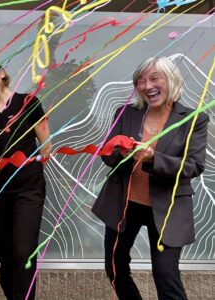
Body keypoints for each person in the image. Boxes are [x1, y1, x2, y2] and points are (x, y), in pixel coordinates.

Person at [92, 57, 209, 300]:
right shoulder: (126, 112)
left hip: (167, 207)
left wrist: (153, 157)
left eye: (154, 78)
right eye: (141, 81)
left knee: (166, 276)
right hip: (124, 203)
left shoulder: (194, 119)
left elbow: (194, 166)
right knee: (114, 268)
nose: (147, 86)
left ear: (171, 79)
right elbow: (108, 154)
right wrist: (121, 154)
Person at [0, 58, 52, 300]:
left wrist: (27, 167)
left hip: (28, 188)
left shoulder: (28, 101)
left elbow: (46, 145)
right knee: (6, 255)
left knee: (24, 251)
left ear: (2, 72)